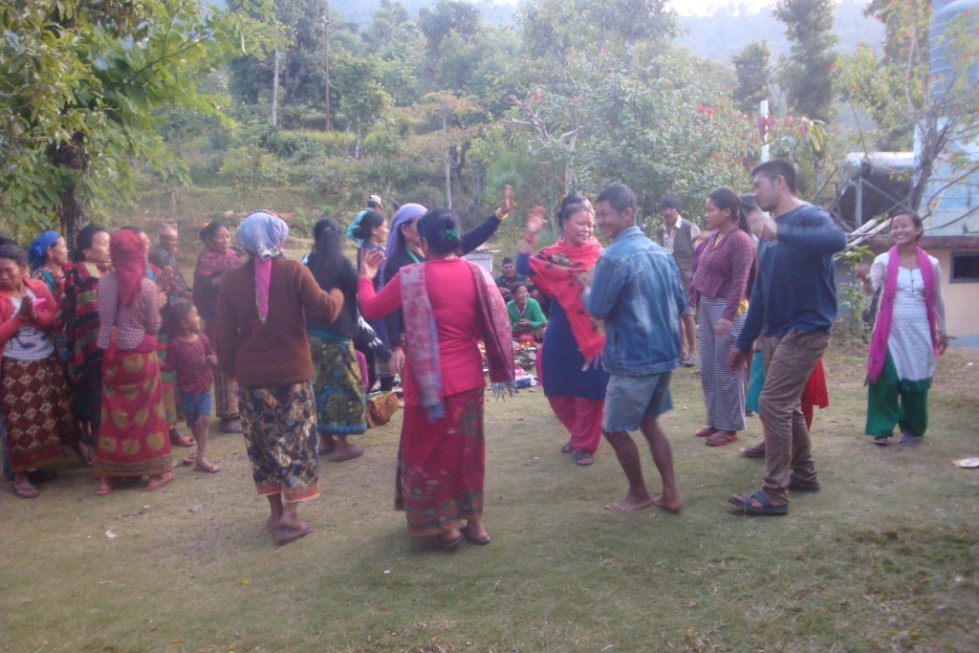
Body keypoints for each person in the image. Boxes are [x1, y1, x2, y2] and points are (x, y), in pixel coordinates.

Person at [358, 208, 514, 550]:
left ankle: (446, 528)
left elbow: (370, 310)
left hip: (427, 382)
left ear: (425, 242)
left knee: (430, 452)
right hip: (469, 378)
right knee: (468, 451)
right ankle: (474, 522)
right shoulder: (476, 274)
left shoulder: (410, 276)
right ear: (455, 239)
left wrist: (366, 276)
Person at [214, 211, 344, 545]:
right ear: (280, 238)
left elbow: (224, 336)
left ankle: (275, 512)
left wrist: (233, 372)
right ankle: (290, 518)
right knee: (296, 445)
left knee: (263, 447)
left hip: (252, 382)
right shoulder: (295, 272)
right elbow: (327, 310)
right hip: (293, 381)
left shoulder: (230, 281)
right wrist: (339, 291)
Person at [727, 159, 847, 516]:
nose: (754, 193)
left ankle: (774, 493)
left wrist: (778, 233)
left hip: (807, 327)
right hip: (778, 330)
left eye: (758, 185)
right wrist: (742, 342)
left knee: (773, 403)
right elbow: (761, 292)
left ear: (781, 182)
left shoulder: (807, 217)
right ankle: (805, 476)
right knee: (787, 406)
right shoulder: (770, 231)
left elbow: (837, 239)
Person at [584, 184, 684, 513]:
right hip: (664, 355)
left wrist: (587, 289)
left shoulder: (613, 257)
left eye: (606, 215)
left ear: (628, 213)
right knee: (649, 422)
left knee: (613, 428)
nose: (601, 222)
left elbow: (597, 307)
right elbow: (681, 303)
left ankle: (639, 492)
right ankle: (670, 493)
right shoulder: (661, 253)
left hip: (633, 358)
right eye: (598, 215)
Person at [383, 186, 513, 381]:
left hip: (447, 342)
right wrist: (395, 348)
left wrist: (499, 215)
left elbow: (472, 238)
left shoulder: (440, 253)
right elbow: (389, 311)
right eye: (420, 224)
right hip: (413, 344)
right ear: (404, 230)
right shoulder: (397, 264)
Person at [517, 195, 608, 466]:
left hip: (592, 333)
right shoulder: (552, 255)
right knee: (555, 386)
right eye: (581, 223)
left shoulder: (599, 254)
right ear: (565, 223)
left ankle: (584, 445)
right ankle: (577, 432)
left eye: (590, 224)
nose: (586, 228)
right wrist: (530, 234)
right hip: (560, 327)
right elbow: (523, 265)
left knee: (590, 390)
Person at [856, 211, 947, 446]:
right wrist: (866, 279)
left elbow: (937, 300)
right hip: (890, 333)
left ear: (917, 230)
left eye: (904, 226)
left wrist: (943, 330)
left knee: (916, 381)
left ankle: (911, 429)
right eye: (894, 227)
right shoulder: (884, 260)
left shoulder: (932, 264)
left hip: (920, 332)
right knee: (886, 379)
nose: (898, 230)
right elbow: (871, 289)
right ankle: (882, 429)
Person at [93, 230, 173, 495]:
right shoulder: (148, 287)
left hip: (112, 359)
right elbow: (153, 324)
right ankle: (156, 473)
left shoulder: (103, 283)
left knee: (113, 415)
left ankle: (108, 477)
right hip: (140, 357)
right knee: (147, 415)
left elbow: (104, 319)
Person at [0, 243, 83, 497]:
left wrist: (34, 315)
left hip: (47, 360)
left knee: (60, 410)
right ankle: (21, 476)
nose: (3, 277)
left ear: (23, 268)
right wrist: (19, 318)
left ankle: (77, 450)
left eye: (8, 270)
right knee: (21, 420)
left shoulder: (37, 288)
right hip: (15, 366)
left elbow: (55, 322)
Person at [688, 188, 757, 447]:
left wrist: (728, 316)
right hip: (707, 305)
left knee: (728, 369)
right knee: (708, 370)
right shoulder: (718, 236)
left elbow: (740, 282)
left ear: (727, 211)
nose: (706, 215)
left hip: (727, 309)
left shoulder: (741, 241)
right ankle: (716, 420)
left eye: (710, 210)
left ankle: (731, 427)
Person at [305, 218, 367, 461]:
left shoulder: (309, 262)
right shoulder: (342, 263)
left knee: (318, 389)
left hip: (312, 338)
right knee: (344, 388)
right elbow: (360, 289)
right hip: (338, 338)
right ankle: (342, 445)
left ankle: (324, 441)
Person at [62, 224, 112, 444]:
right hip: (94, 351)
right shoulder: (85, 273)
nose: (109, 248)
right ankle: (103, 456)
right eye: (104, 243)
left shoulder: (106, 271)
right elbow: (91, 318)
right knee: (98, 400)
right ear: (87, 251)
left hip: (107, 347)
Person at [193, 221, 244, 434]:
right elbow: (204, 287)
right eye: (219, 237)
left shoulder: (236, 256)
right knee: (223, 359)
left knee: (239, 358)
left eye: (227, 235)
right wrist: (230, 276)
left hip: (238, 315)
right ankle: (226, 416)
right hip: (217, 318)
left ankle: (240, 407)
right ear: (209, 240)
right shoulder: (205, 261)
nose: (225, 240)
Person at [160, 299, 220, 472]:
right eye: (194, 315)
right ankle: (200, 457)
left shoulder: (203, 339)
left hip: (205, 386)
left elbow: (212, 356)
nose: (199, 317)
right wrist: (154, 361)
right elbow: (170, 366)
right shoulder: (174, 345)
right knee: (195, 424)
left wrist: (212, 360)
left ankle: (200, 457)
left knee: (205, 419)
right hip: (187, 391)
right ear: (184, 323)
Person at [655, 193, 701, 368]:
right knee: (674, 315)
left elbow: (699, 254)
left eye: (670, 208)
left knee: (687, 314)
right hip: (668, 279)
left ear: (677, 209)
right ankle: (681, 350)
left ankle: (692, 352)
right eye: (665, 209)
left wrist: (697, 279)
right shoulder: (660, 231)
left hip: (687, 278)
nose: (667, 212)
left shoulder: (689, 227)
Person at [353, 210, 393, 392]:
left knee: (382, 352)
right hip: (375, 306)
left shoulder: (373, 249)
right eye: (384, 226)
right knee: (378, 350)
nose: (387, 230)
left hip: (380, 305)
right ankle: (380, 396)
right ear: (374, 230)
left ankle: (383, 396)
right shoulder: (369, 252)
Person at [148, 223, 193, 300]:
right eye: (171, 240)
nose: (174, 243)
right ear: (162, 239)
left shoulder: (169, 253)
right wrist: (183, 293)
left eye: (176, 240)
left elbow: (178, 275)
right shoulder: (158, 255)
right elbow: (166, 279)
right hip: (167, 294)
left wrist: (187, 289)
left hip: (177, 290)